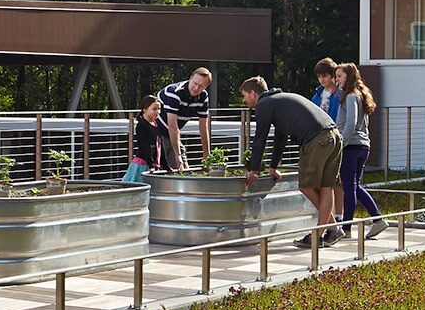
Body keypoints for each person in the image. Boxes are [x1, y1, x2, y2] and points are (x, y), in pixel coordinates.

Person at [239, 76, 344, 246]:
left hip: (316, 140)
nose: (244, 100)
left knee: (306, 186)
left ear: (253, 93)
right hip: (334, 136)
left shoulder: (264, 105)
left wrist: (254, 170)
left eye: (244, 95)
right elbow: (281, 136)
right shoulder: (280, 101)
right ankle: (331, 230)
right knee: (326, 186)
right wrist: (273, 167)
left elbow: (260, 138)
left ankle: (321, 233)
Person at [335, 63, 386, 237]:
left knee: (349, 187)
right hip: (363, 146)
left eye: (340, 76)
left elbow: (351, 123)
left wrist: (341, 144)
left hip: (351, 146)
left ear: (349, 76)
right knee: (354, 186)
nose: (337, 80)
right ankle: (377, 220)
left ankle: (347, 228)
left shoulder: (350, 96)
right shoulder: (359, 95)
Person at [156, 67, 213, 170]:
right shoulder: (174, 92)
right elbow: (172, 127)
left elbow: (203, 127)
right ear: (190, 78)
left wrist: (206, 154)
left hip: (171, 134)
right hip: (157, 133)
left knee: (182, 170)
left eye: (201, 86)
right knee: (172, 169)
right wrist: (177, 156)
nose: (196, 88)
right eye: (195, 83)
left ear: (206, 86)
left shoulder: (203, 97)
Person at [125, 97, 171, 183]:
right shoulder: (142, 125)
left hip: (152, 164)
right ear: (145, 109)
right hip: (142, 164)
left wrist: (165, 165)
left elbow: (160, 146)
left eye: (159, 109)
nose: (157, 112)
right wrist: (151, 165)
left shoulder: (156, 124)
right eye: (154, 109)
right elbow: (144, 146)